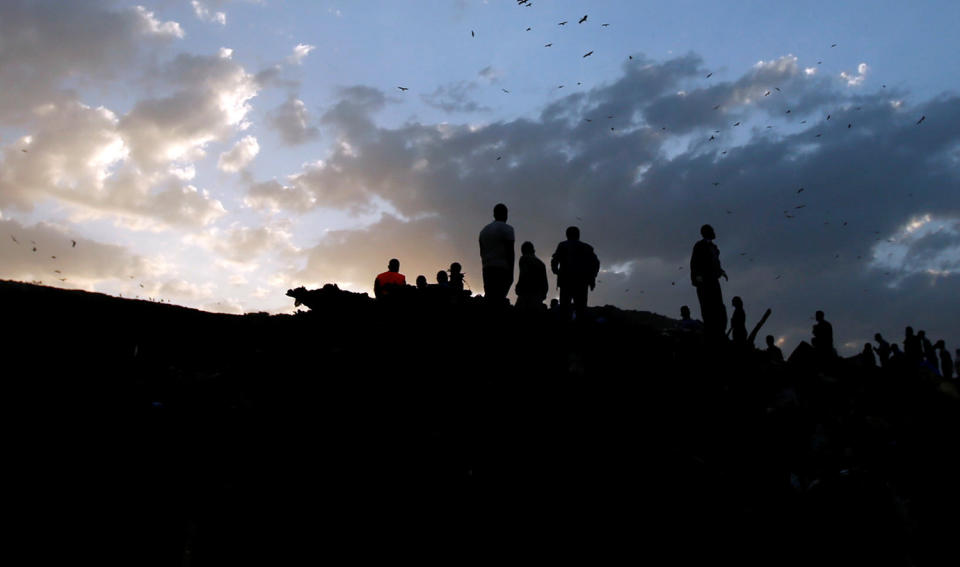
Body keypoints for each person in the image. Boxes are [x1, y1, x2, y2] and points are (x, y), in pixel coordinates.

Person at [550, 226, 600, 321]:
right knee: (581, 310)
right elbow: (596, 263)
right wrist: (592, 277)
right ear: (578, 235)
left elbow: (554, 261)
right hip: (582, 283)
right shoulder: (587, 248)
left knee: (565, 310)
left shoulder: (562, 246)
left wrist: (557, 272)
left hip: (566, 282)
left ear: (567, 235)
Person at [690, 224, 728, 340]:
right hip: (704, 281)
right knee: (707, 307)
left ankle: (719, 331)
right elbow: (694, 263)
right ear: (705, 233)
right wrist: (697, 277)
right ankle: (711, 333)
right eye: (711, 230)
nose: (714, 232)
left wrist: (721, 271)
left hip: (713, 280)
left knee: (718, 307)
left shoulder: (714, 248)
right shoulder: (699, 246)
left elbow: (716, 263)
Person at [478, 203, 515, 304]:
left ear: (494, 214)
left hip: (487, 268)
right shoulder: (508, 229)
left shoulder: (483, 231)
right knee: (499, 299)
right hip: (502, 269)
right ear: (505, 214)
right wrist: (511, 272)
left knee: (490, 299)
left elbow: (482, 253)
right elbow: (510, 252)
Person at [515, 241, 548, 310]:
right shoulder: (541, 263)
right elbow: (545, 282)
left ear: (523, 250)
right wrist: (543, 294)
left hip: (526, 292)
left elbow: (523, 274)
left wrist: (518, 287)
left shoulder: (524, 259)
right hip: (538, 295)